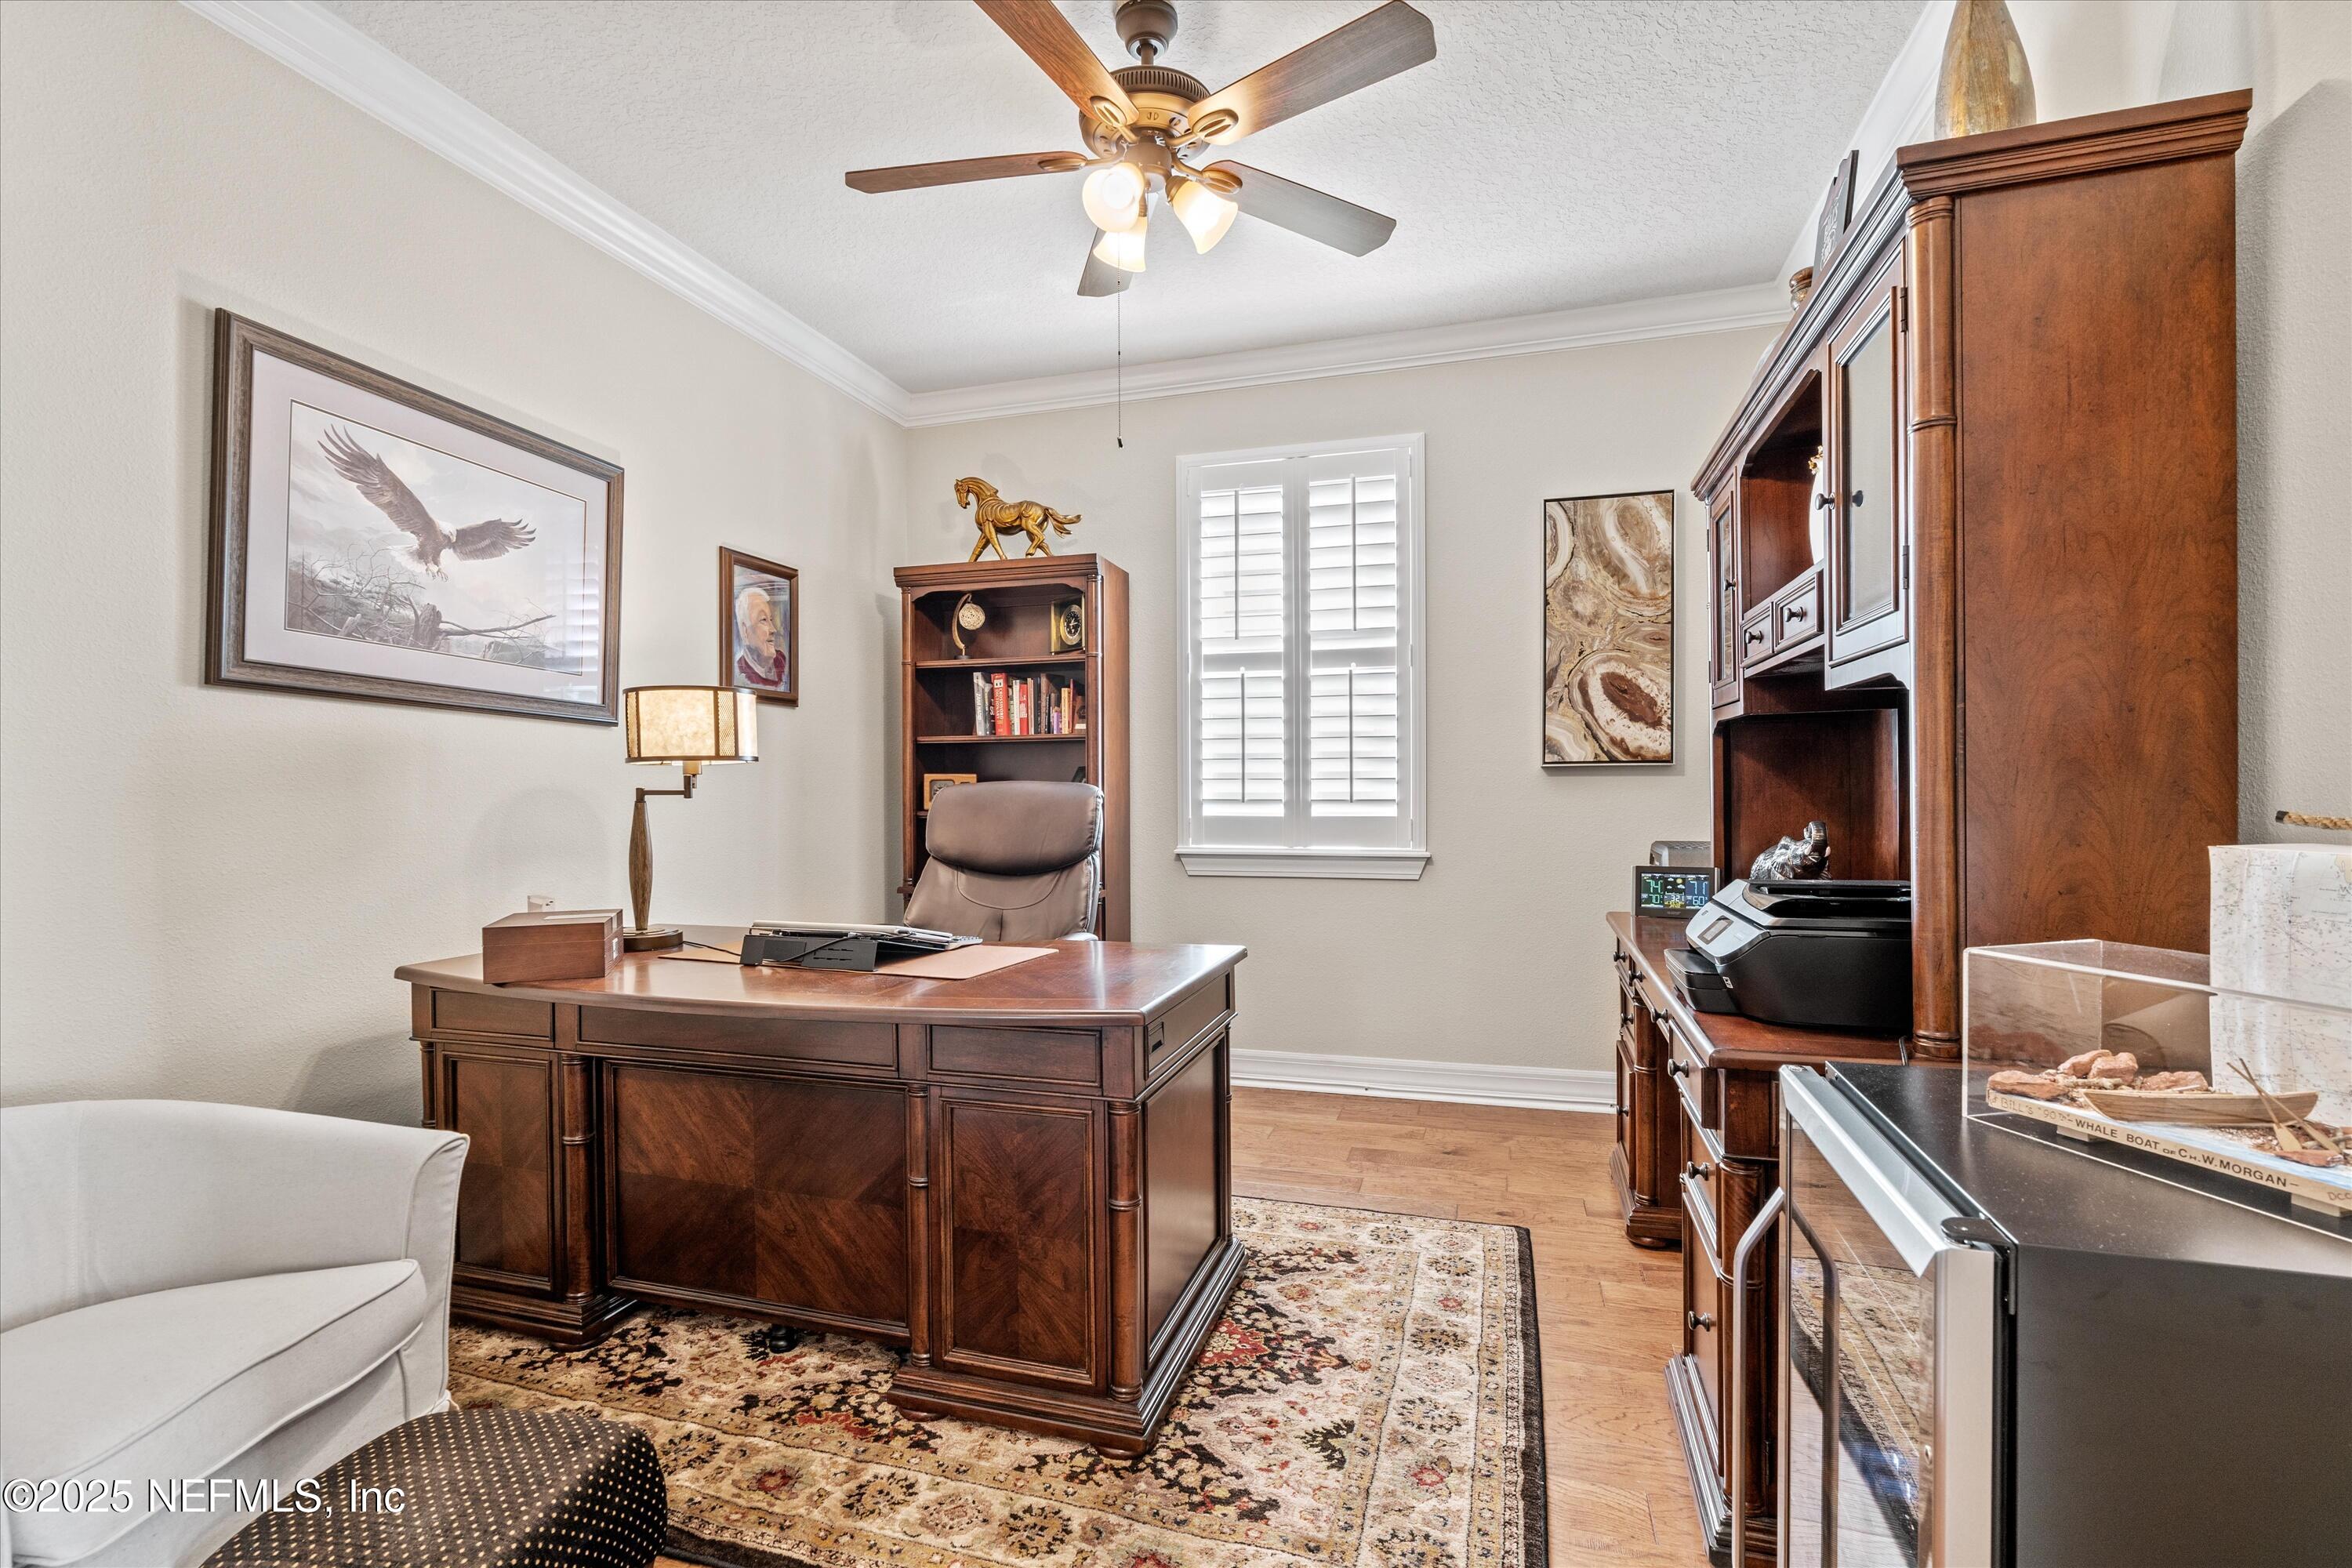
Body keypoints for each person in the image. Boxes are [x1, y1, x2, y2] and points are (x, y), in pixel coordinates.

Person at [735, 582, 788, 690]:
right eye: (764, 620)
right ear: (745, 631)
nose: (773, 629)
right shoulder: (740, 672)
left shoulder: (782, 661)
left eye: (771, 620)